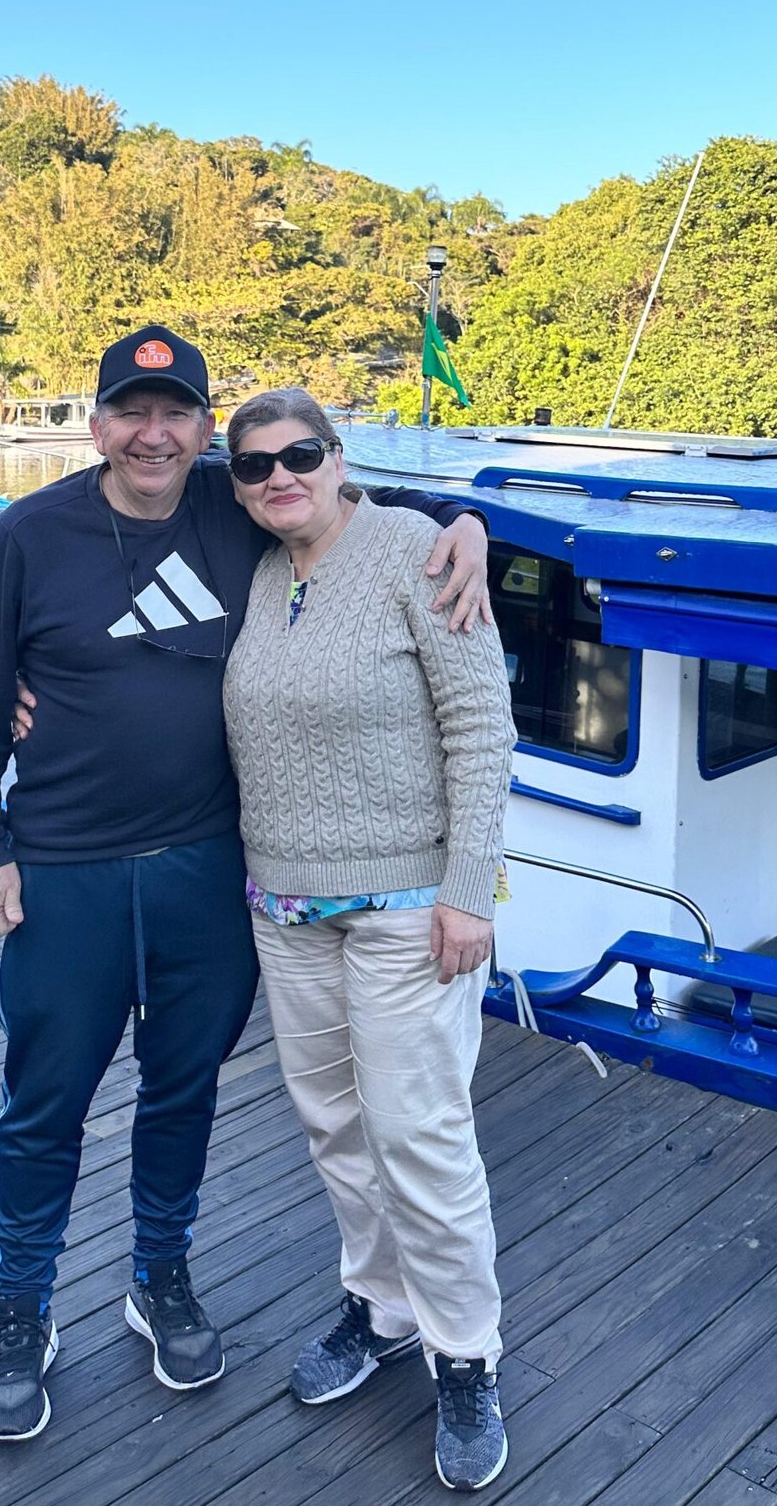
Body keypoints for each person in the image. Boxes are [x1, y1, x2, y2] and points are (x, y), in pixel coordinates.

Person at [0, 326, 491, 1446]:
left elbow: (343, 508)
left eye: (177, 413)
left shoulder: (233, 513)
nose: (155, 433)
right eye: (131, 412)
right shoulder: (29, 535)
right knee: (45, 1104)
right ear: (94, 423)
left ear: (200, 429)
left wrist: (473, 523)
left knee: (183, 1092)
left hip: (207, 871)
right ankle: (22, 1311)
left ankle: (160, 1277)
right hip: (66, 873)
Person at [221, 387, 514, 1494]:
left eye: (300, 454)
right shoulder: (254, 562)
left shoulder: (414, 552)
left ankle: (466, 1355)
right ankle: (381, 1304)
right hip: (285, 903)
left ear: (339, 459)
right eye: (253, 464)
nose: (278, 475)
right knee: (333, 1122)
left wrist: (469, 888)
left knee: (419, 1132)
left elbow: (482, 724)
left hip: (409, 905)